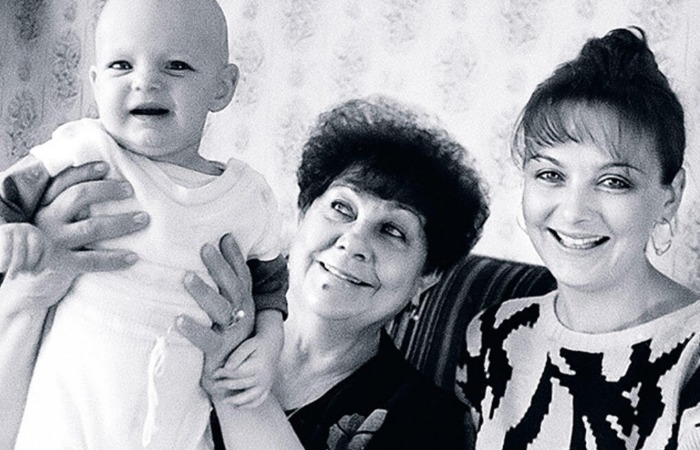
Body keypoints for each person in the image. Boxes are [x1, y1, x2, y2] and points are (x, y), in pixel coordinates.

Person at [0, 0, 287, 448]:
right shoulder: (87, 152)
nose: (146, 81)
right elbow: (9, 194)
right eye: (121, 64)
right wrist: (13, 233)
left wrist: (268, 346)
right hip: (66, 417)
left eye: (176, 65)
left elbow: (270, 286)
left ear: (222, 87)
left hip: (176, 427)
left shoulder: (247, 198)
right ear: (96, 83)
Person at [174, 96, 490, 449]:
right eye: (341, 207)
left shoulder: (430, 423)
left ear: (427, 275)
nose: (353, 242)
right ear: (302, 214)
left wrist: (231, 380)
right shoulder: (195, 307)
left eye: (392, 230)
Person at [456, 27, 700, 449]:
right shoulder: (491, 335)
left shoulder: (692, 357)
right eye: (550, 174)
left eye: (614, 181)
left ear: (670, 197)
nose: (572, 212)